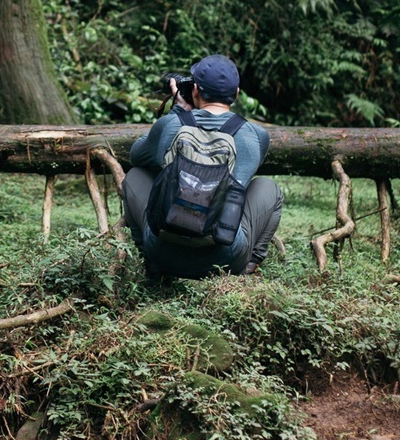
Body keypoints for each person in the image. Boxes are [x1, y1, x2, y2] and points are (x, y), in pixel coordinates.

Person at [121, 55, 283, 278]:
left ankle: (151, 262)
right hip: (227, 257)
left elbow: (136, 156)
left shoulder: (171, 125)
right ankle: (250, 264)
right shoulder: (256, 136)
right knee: (268, 187)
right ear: (236, 94)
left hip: (162, 251)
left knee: (134, 175)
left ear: (195, 90)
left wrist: (179, 112)